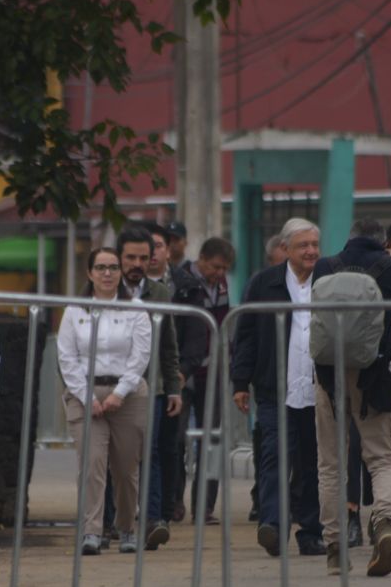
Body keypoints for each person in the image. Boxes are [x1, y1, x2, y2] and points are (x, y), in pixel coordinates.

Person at [313, 219, 391, 577]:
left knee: (330, 464)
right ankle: (385, 524)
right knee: (380, 458)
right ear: (384, 242)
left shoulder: (325, 265)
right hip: (375, 372)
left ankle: (333, 548)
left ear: (349, 237)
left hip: (329, 373)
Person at [230, 218, 326, 558]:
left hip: (319, 391)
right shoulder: (264, 283)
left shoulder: (328, 281)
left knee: (313, 463)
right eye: (304, 245)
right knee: (274, 457)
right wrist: (240, 381)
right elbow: (246, 336)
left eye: (315, 244)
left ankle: (312, 532)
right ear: (285, 249)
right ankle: (272, 524)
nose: (312, 251)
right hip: (275, 389)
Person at [58, 247, 151, 555]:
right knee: (92, 465)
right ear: (89, 273)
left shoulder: (135, 308)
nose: (107, 273)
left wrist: (118, 394)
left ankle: (126, 528)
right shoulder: (75, 310)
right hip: (85, 393)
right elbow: (66, 357)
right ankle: (91, 532)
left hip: (127, 395)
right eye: (100, 267)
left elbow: (140, 356)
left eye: (113, 267)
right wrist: (87, 397)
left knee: (125, 468)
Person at [113, 226, 182, 546]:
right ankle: (108, 522)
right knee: (111, 455)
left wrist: (173, 388)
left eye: (144, 257)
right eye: (131, 257)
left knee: (149, 452)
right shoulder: (101, 289)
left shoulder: (160, 294)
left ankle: (152, 519)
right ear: (118, 257)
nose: (137, 263)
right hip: (109, 385)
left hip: (150, 386)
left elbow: (169, 346)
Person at [177, 237, 234, 524]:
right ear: (201, 259)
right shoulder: (181, 280)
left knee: (211, 440)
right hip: (184, 373)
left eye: (224, 269)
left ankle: (205, 506)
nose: (220, 273)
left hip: (212, 373)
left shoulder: (222, 287)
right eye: (215, 267)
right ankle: (173, 501)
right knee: (175, 439)